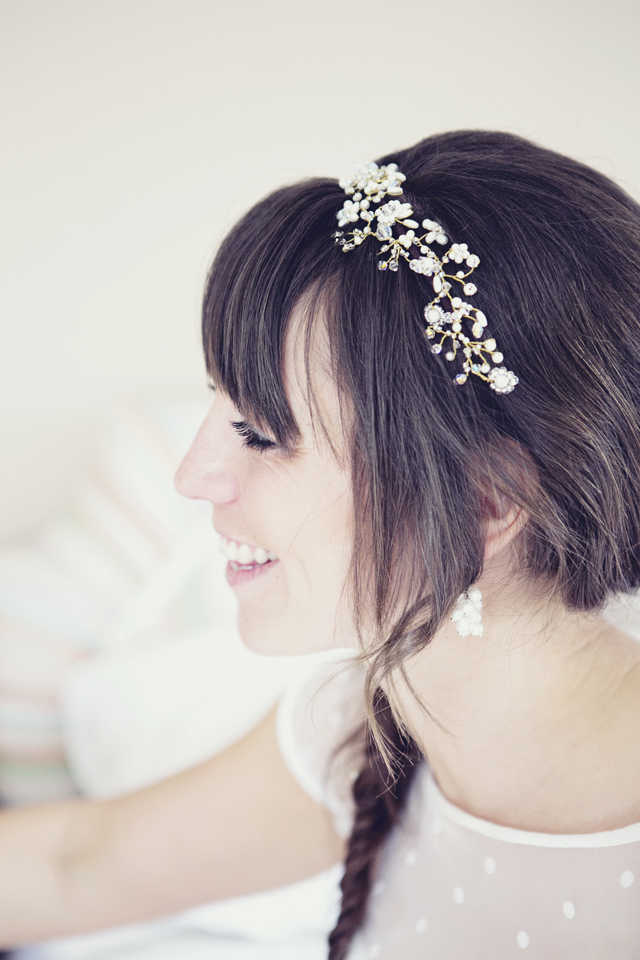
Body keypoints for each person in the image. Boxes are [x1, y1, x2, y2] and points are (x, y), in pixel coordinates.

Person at [1, 129, 640, 959]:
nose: (195, 476)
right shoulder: (370, 727)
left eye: (260, 435)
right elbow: (75, 867)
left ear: (487, 499)